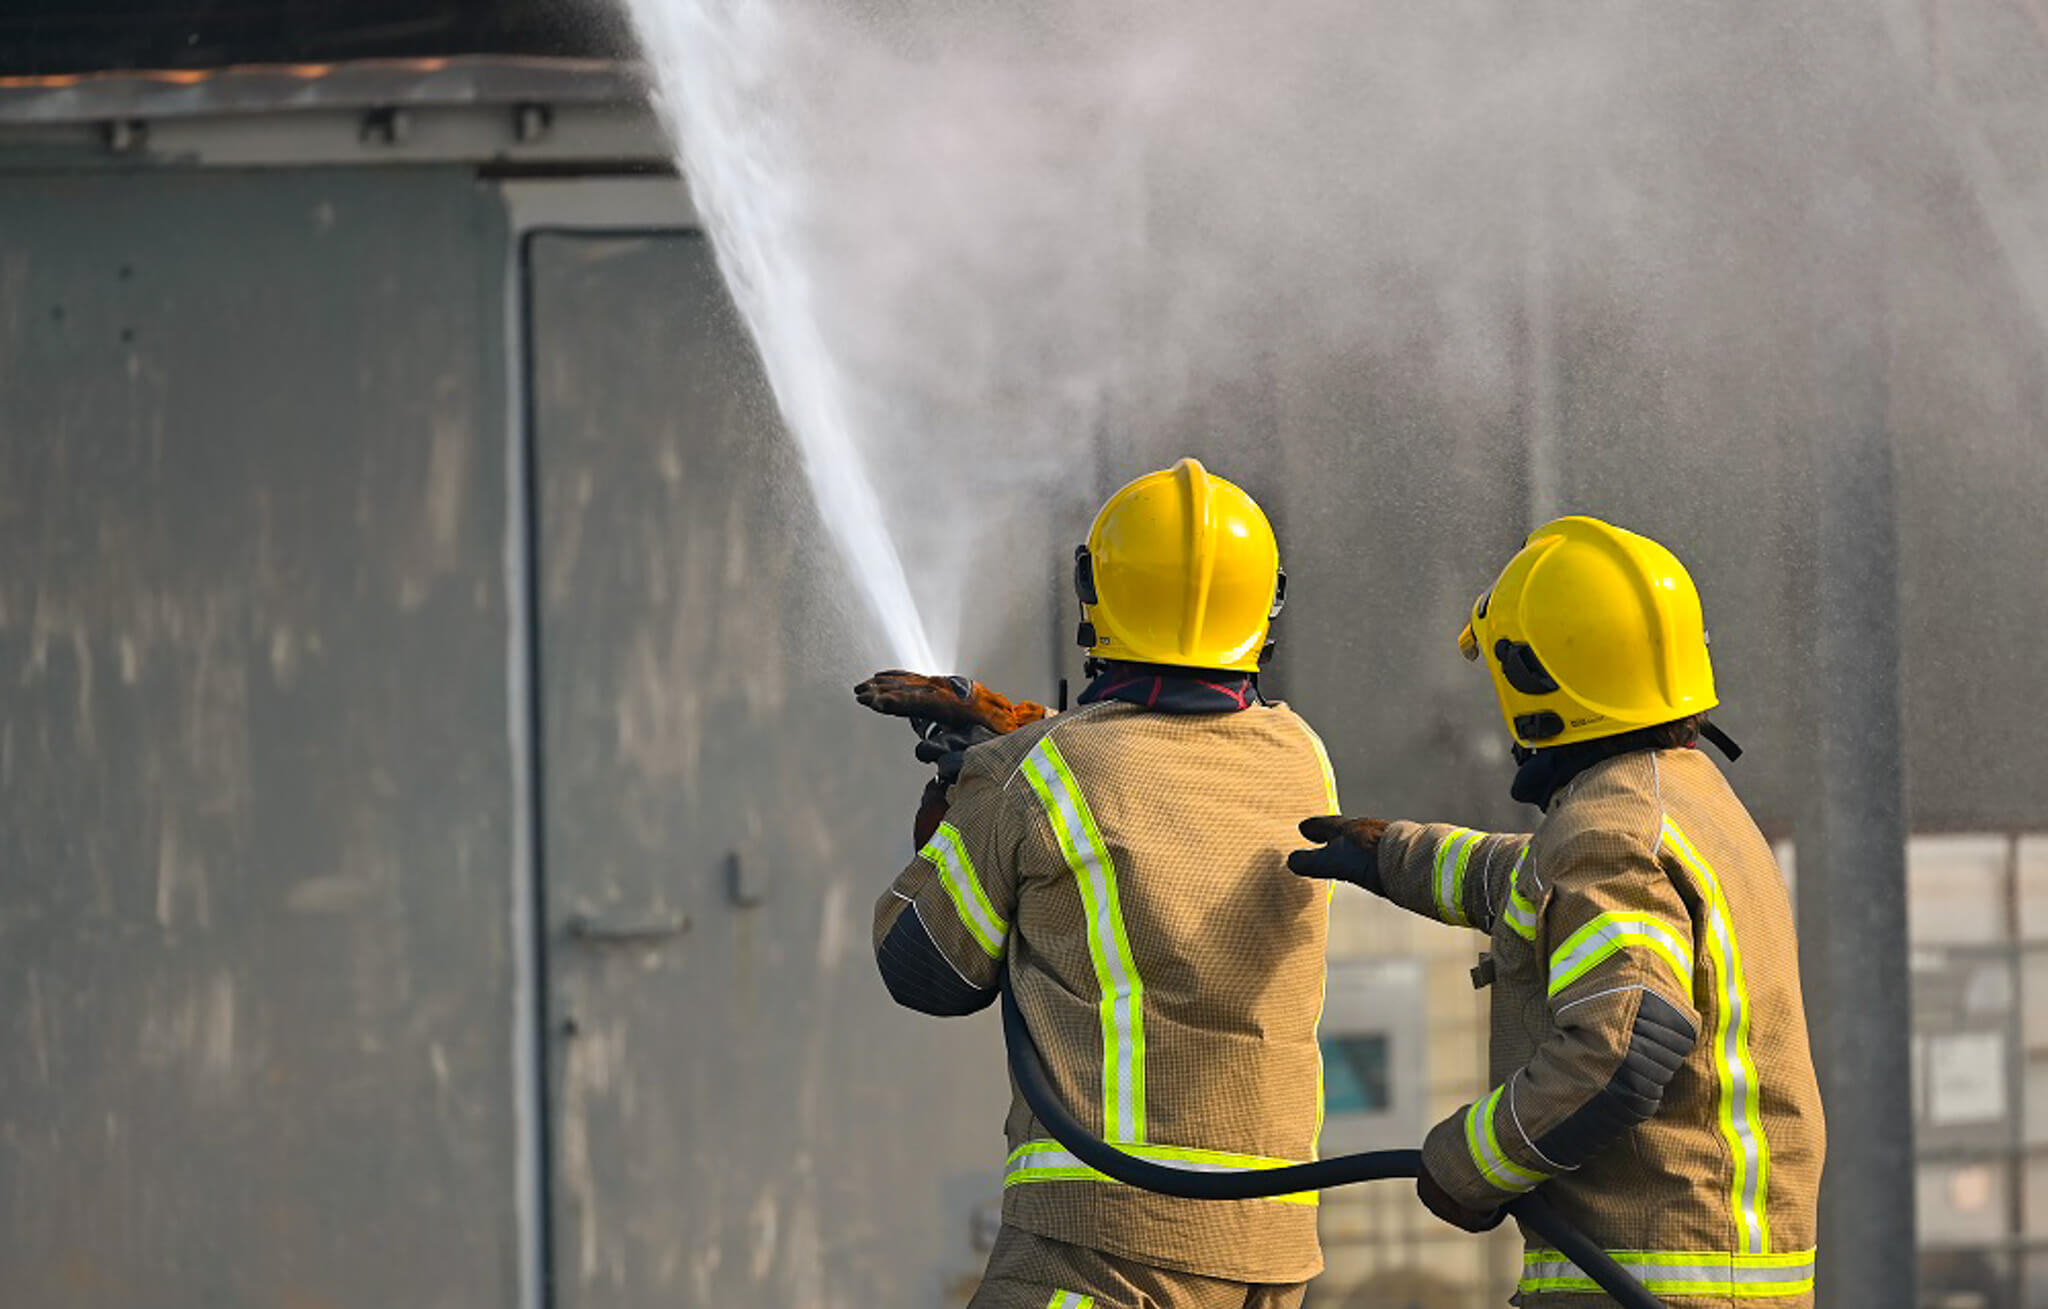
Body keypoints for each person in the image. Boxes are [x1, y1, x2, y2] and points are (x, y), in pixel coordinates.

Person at [1290, 516, 1825, 1306]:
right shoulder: (1685, 801)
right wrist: (1394, 855)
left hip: (1641, 1283)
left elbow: (1619, 1051)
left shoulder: (1611, 833)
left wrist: (1466, 1164)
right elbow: (1540, 888)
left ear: (1538, 683)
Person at [860, 458, 1338, 1309]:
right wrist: (1014, 736)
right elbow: (1159, 768)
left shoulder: (1036, 775)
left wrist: (973, 792)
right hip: (1270, 1250)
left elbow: (924, 968)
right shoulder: (1303, 761)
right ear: (1264, 609)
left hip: (1103, 1242)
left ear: (1094, 593)